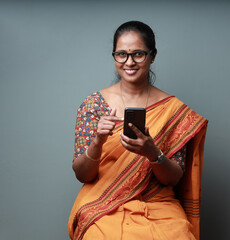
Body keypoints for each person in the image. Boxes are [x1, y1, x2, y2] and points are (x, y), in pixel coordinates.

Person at [68, 21, 208, 240]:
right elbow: (82, 174)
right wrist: (97, 142)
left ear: (152, 56)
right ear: (114, 56)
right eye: (121, 54)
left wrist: (152, 152)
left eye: (138, 54)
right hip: (104, 204)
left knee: (179, 235)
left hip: (158, 204)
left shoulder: (172, 110)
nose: (129, 62)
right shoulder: (94, 104)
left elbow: (173, 179)